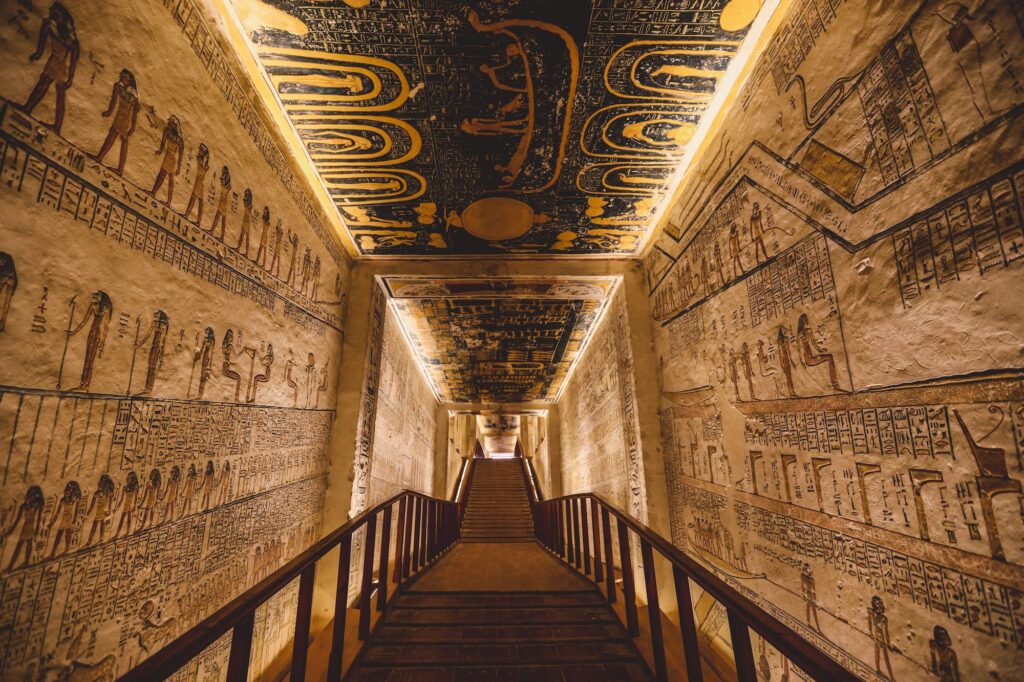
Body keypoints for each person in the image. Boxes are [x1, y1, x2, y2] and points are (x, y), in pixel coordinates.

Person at [22, 2, 78, 134]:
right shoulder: (50, 26)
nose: (53, 15)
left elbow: (73, 59)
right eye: (52, 12)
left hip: (59, 65)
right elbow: (42, 40)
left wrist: (70, 78)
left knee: (54, 91)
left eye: (56, 14)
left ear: (62, 17)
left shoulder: (70, 37)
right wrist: (38, 53)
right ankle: (28, 108)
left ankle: (56, 126)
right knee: (46, 85)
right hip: (53, 61)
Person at [91, 69, 139, 175]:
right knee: (113, 134)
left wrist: (133, 126)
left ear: (129, 80)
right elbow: (113, 100)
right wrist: (109, 111)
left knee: (122, 138)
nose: (122, 79)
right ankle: (101, 158)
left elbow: (136, 111)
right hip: (119, 116)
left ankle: (119, 169)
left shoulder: (133, 94)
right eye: (121, 77)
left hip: (125, 119)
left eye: (124, 77)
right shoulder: (118, 87)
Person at [65, 291, 113, 392]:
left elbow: (105, 328)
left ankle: (86, 384)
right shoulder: (94, 305)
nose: (96, 296)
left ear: (102, 298)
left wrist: (103, 342)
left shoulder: (106, 309)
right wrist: (73, 331)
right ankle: (83, 383)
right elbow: (84, 321)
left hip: (96, 334)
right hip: (93, 333)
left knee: (90, 360)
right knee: (87, 359)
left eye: (98, 295)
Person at [7, 485, 45, 569]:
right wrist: (11, 531)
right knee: (21, 545)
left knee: (28, 545)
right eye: (27, 495)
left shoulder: (35, 506)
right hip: (26, 528)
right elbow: (17, 520)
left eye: (30, 496)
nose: (27, 497)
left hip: (30, 528)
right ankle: (11, 566)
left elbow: (38, 519)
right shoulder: (23, 507)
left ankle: (25, 562)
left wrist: (37, 529)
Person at [151, 116, 184, 206]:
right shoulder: (167, 130)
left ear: (175, 126)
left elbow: (180, 156)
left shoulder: (180, 140)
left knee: (170, 178)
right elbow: (163, 143)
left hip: (172, 159)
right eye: (169, 122)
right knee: (162, 175)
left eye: (171, 123)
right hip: (167, 156)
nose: (169, 124)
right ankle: (153, 192)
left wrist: (179, 167)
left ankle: (168, 201)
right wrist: (160, 150)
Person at [47, 480, 82, 557]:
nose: (65, 493)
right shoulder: (63, 500)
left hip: (69, 519)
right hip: (64, 519)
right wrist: (51, 523)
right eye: (66, 492)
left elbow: (76, 510)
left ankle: (66, 550)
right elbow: (57, 513)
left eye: (68, 492)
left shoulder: (74, 499)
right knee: (60, 535)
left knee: (67, 534)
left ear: (71, 492)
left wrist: (75, 519)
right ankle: (54, 552)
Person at [868, 595, 895, 680]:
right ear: (874, 604)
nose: (879, 604)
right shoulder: (872, 612)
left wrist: (888, 642)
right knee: (877, 654)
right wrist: (870, 632)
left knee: (885, 658)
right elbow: (869, 622)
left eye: (880, 603)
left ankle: (891, 676)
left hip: (881, 638)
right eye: (877, 603)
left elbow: (886, 632)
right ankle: (879, 670)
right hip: (877, 636)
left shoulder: (884, 618)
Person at [85, 474, 115, 545]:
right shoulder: (97, 493)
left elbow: (110, 504)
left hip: (103, 511)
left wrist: (109, 513)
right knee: (96, 526)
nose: (98, 483)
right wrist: (87, 515)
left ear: (103, 484)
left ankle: (97, 540)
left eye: (100, 482)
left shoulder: (106, 493)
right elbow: (92, 506)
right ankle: (91, 541)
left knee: (99, 526)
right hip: (100, 511)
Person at [184, 143, 210, 225]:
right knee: (197, 200)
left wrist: (206, 161)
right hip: (199, 181)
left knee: (197, 200)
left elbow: (204, 168)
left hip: (200, 182)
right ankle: (188, 215)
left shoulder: (202, 160)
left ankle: (195, 219)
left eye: (200, 150)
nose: (199, 151)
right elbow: (204, 168)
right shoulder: (199, 158)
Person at [209, 166, 231, 239]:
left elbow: (225, 190)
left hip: (224, 203)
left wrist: (222, 182)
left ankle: (222, 236)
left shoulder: (227, 185)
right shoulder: (223, 181)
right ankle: (212, 231)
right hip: (221, 201)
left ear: (226, 173)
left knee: (222, 221)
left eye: (223, 172)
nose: (222, 173)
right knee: (218, 217)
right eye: (222, 172)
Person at [236, 189, 253, 255]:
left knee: (244, 236)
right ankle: (240, 249)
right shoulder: (246, 202)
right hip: (245, 220)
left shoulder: (249, 205)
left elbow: (247, 209)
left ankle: (245, 252)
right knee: (244, 235)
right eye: (245, 193)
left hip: (246, 221)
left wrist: (244, 201)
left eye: (247, 193)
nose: (245, 194)